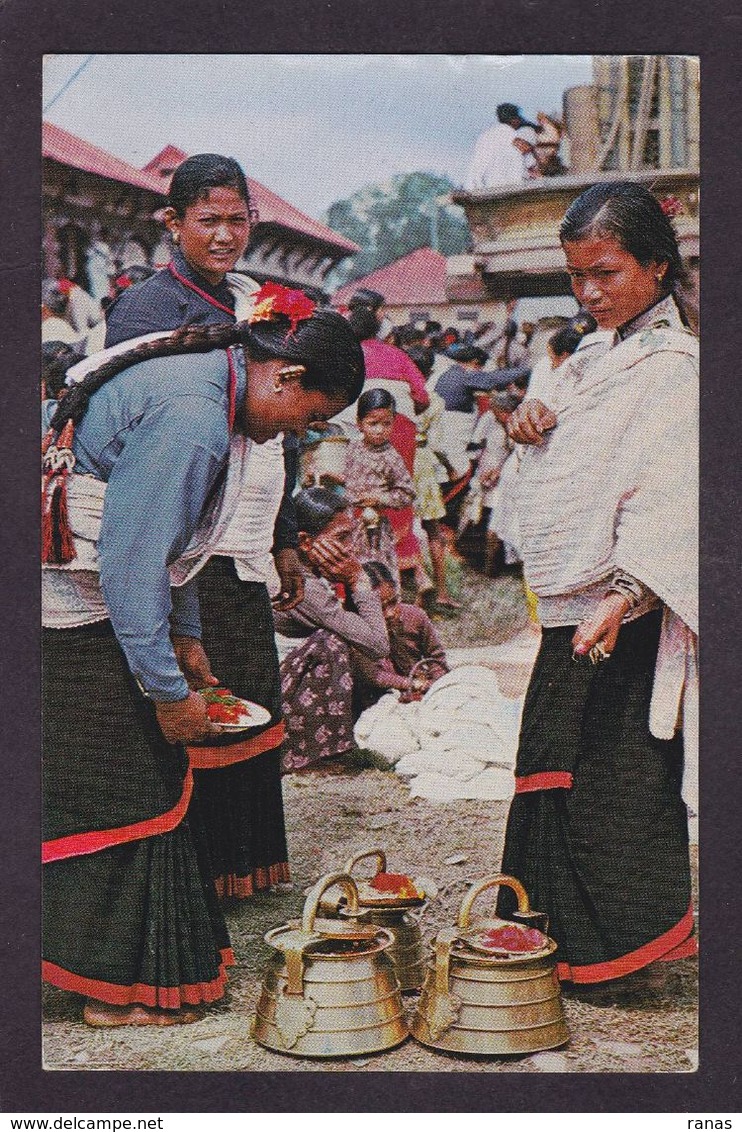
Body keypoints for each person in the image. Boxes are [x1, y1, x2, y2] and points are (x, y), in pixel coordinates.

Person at [42, 298, 364, 1026]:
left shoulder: (217, 391)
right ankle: (109, 985)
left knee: (138, 783)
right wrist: (166, 689)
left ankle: (115, 974)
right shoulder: (193, 415)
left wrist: (186, 638)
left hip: (92, 598)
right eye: (310, 418)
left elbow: (178, 544)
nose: (302, 433)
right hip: (65, 607)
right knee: (126, 788)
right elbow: (131, 563)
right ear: (284, 376)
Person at [497, 180, 698, 988]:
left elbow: (676, 492)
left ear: (656, 267)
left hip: (628, 606)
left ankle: (621, 949)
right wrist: (529, 424)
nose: (588, 293)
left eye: (606, 273)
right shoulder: (585, 358)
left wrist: (625, 595)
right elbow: (562, 466)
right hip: (571, 603)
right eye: (577, 276)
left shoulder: (676, 369)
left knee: (616, 778)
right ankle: (553, 937)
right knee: (551, 762)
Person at [100, 154, 304, 899]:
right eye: (208, 220)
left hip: (241, 527)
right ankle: (197, 872)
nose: (224, 235)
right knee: (193, 697)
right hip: (177, 528)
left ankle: (247, 864)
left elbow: (287, 418)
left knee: (245, 690)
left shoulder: (255, 301)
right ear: (173, 223)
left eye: (236, 219)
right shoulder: (146, 310)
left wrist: (283, 535)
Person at [274, 488, 390, 772]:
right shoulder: (302, 583)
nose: (351, 548)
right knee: (332, 643)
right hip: (274, 690)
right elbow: (377, 644)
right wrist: (357, 578)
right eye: (341, 538)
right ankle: (314, 754)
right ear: (304, 541)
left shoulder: (307, 574)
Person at [342, 387, 417, 591]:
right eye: (372, 423)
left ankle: (384, 616)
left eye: (386, 424)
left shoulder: (391, 457)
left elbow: (407, 493)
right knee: (351, 576)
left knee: (377, 577)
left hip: (374, 530)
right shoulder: (353, 448)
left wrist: (379, 498)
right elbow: (350, 479)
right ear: (359, 424)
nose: (379, 430)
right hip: (350, 524)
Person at [353, 562, 449, 712]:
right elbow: (374, 675)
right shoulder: (356, 629)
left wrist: (438, 686)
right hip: (380, 697)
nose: (390, 613)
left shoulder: (415, 616)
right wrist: (413, 685)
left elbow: (436, 656)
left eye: (393, 602)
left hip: (421, 687)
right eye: (379, 608)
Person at [465, 103, 538, 191]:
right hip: (511, 188)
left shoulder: (484, 136)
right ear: (514, 120)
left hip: (483, 188)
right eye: (518, 118)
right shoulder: (514, 135)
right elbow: (529, 160)